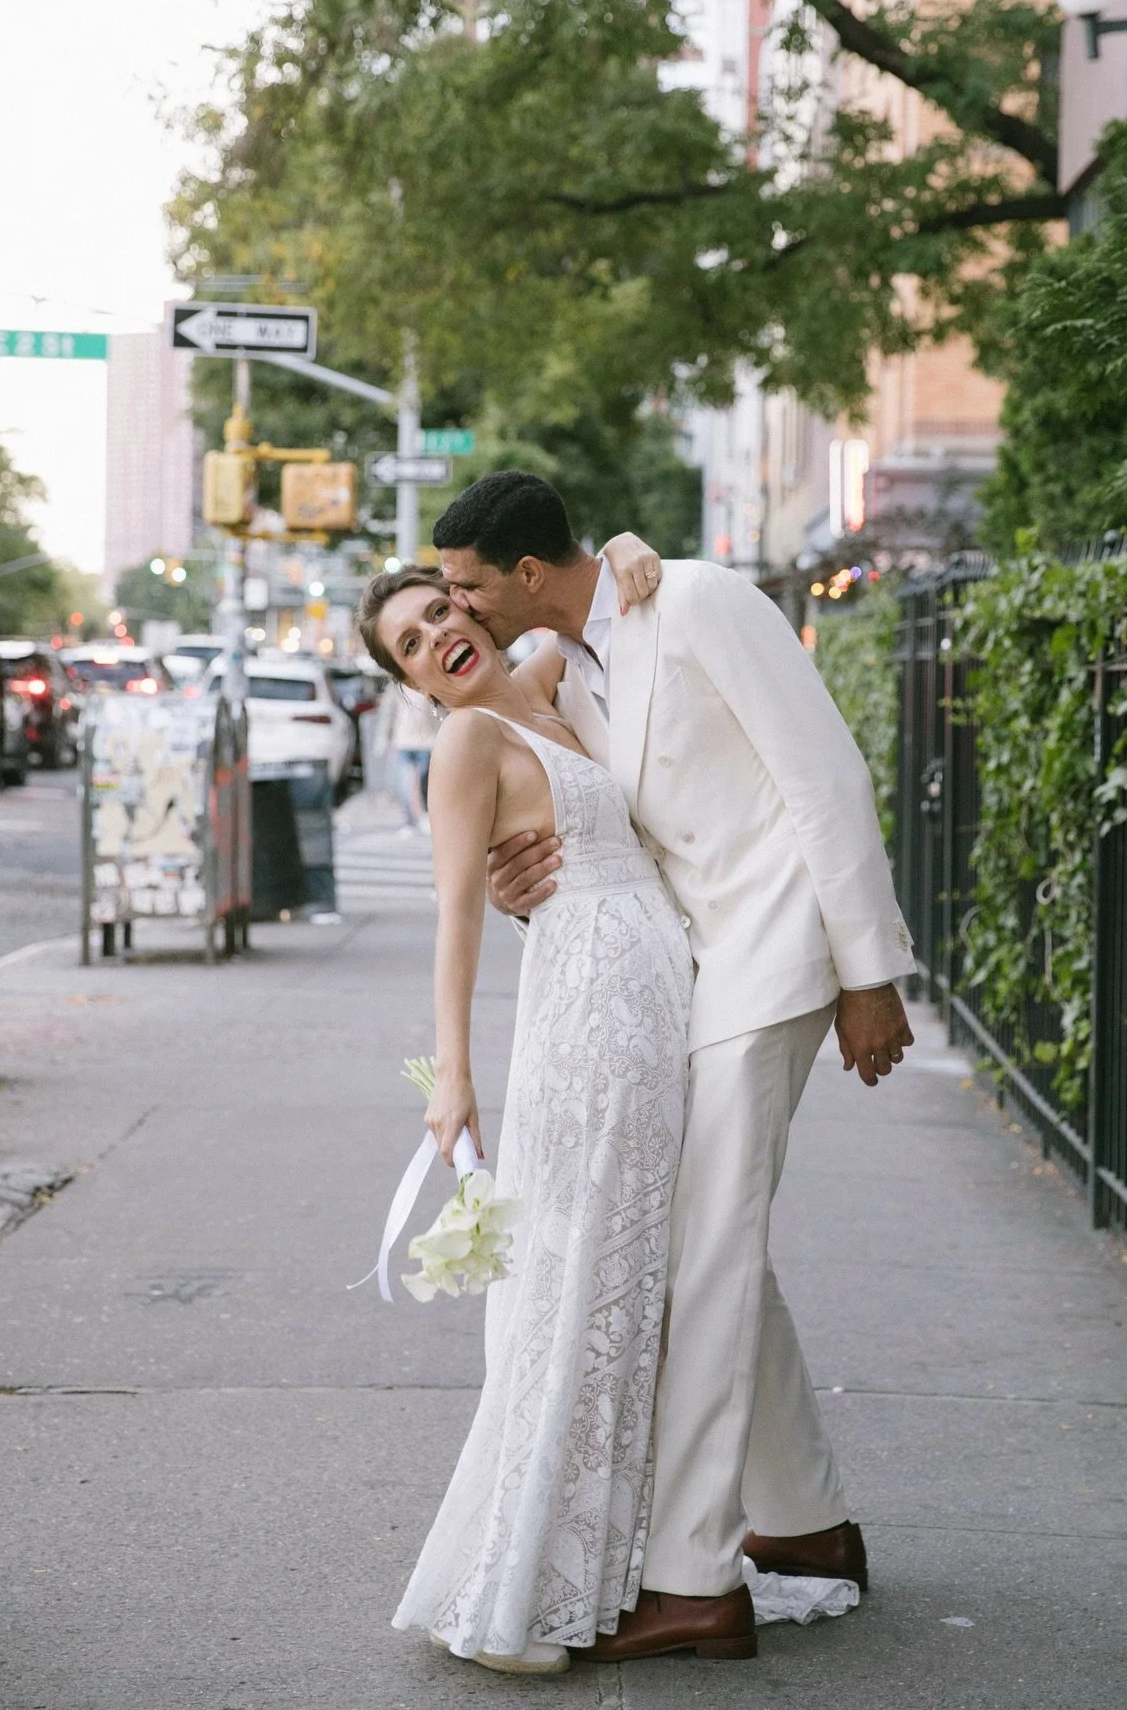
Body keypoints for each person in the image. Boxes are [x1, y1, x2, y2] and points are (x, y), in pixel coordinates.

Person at [433, 470, 916, 1665]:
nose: (459, 611)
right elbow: (592, 821)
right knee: (710, 1242)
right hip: (697, 975)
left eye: (468, 587)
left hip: (780, 962)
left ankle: (695, 1577)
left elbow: (825, 777)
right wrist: (523, 880)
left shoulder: (696, 601)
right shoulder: (568, 669)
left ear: (528, 575)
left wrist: (870, 973)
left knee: (700, 1262)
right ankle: (806, 1524)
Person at [357, 562, 697, 1675]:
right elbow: (455, 912)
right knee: (577, 1288)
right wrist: (450, 1079)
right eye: (410, 644)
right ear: (412, 682)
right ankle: (518, 1592)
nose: (437, 638)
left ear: (472, 606)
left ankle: (615, 1563)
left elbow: (592, 599)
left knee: (631, 1279)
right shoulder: (465, 745)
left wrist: (633, 542)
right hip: (588, 1032)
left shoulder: (551, 682)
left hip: (649, 1014)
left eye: (439, 612)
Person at [375, 682, 440, 833]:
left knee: (425, 783)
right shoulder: (396, 688)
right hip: (404, 742)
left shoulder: (428, 684)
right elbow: (388, 715)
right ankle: (409, 820)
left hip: (426, 743)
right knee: (405, 783)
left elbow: (438, 713)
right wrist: (382, 742)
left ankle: (425, 816)